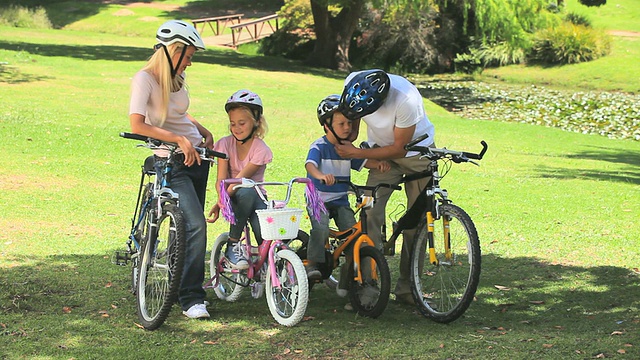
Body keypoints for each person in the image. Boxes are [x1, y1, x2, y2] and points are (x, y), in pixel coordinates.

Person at [129, 20, 213, 319]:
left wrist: (200, 130)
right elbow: (138, 124)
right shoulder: (145, 79)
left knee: (186, 232)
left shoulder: (176, 79)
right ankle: (192, 298)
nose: (190, 62)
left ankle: (180, 288)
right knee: (195, 225)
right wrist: (178, 139)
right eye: (188, 55)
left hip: (197, 159)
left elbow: (177, 112)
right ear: (172, 51)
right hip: (171, 161)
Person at [334, 69, 436, 306]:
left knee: (416, 224)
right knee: (370, 214)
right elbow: (352, 112)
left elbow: (400, 148)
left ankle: (408, 290)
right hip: (380, 154)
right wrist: (354, 136)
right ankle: (365, 286)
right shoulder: (353, 81)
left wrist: (358, 154)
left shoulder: (406, 100)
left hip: (415, 154)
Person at [305, 94, 389, 296]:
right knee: (321, 227)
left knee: (353, 233)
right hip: (318, 199)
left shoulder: (346, 149)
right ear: (326, 125)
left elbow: (361, 162)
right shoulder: (319, 146)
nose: (347, 128)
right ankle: (312, 263)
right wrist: (320, 175)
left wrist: (377, 164)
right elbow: (310, 165)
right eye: (341, 123)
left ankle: (350, 276)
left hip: (340, 200)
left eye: (349, 123)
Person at [207, 90, 273, 270]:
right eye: (232, 123)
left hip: (254, 195)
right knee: (246, 192)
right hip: (236, 196)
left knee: (264, 234)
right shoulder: (224, 144)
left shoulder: (260, 149)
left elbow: (241, 179)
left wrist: (221, 200)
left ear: (257, 122)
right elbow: (222, 180)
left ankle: (267, 264)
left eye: (242, 123)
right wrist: (222, 200)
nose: (236, 128)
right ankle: (233, 244)